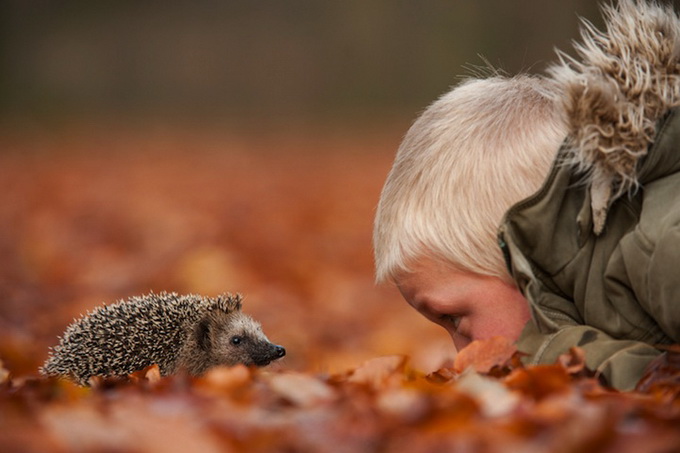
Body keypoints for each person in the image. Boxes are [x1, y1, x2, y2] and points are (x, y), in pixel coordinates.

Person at [373, 0, 680, 391]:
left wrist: (547, 355)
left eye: (455, 319)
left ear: (523, 253)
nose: (462, 357)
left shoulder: (664, 243)